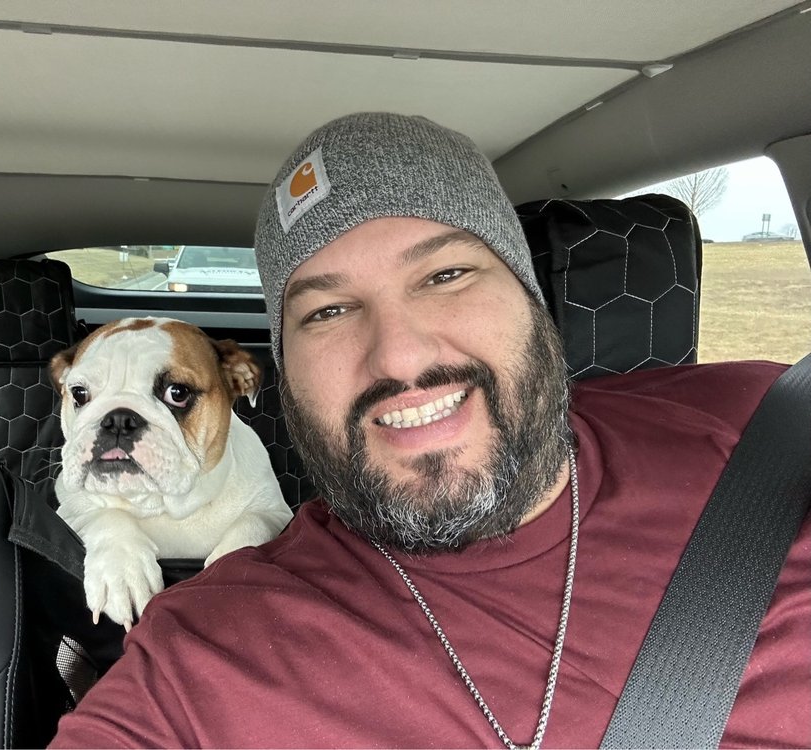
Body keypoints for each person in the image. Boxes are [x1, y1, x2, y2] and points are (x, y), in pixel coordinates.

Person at [51, 112, 810, 748]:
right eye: (328, 310)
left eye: (445, 275)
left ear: (531, 295)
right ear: (284, 375)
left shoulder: (769, 423)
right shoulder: (204, 648)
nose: (400, 356)